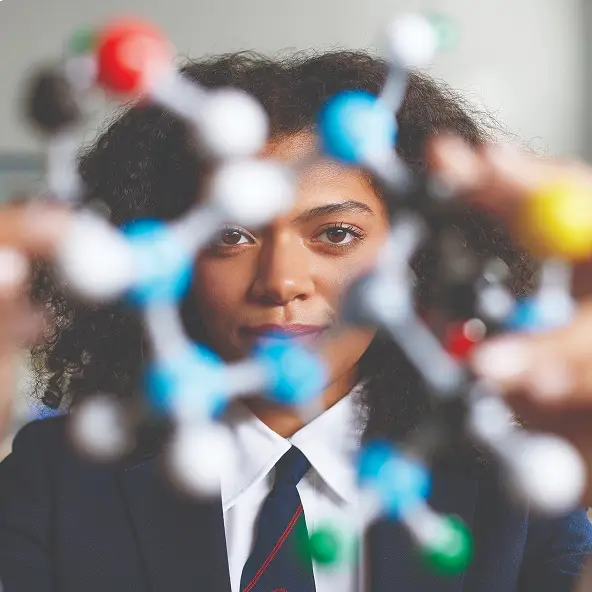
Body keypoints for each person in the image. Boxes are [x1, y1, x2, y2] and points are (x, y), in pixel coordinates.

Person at [0, 50, 591, 592]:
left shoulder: (518, 481)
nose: (280, 281)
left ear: (418, 257)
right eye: (229, 234)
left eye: (335, 234)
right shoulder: (55, 479)